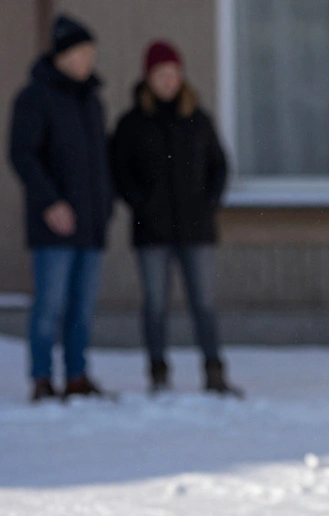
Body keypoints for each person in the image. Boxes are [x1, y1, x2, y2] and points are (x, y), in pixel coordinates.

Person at [110, 41, 240, 396]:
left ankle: (214, 371)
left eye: (173, 74)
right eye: (160, 75)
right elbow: (119, 171)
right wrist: (141, 205)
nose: (168, 81)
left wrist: (208, 204)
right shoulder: (132, 123)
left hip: (196, 229)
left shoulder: (198, 119)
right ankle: (158, 373)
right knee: (155, 305)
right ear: (148, 78)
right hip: (151, 231)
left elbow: (219, 165)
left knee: (204, 303)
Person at [8, 14, 114, 401]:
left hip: (92, 221)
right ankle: (41, 378)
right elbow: (23, 155)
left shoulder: (92, 101)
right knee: (49, 305)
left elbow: (101, 161)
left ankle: (76, 375)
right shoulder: (35, 98)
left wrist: (106, 206)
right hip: (53, 223)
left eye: (91, 53)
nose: (87, 61)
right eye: (80, 53)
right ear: (61, 56)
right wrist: (50, 202)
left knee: (82, 308)